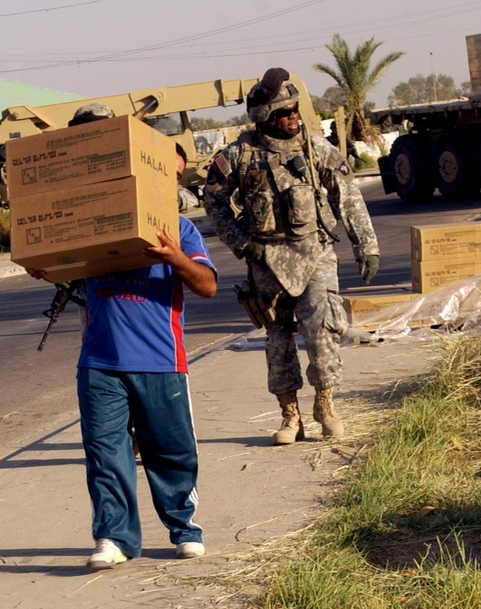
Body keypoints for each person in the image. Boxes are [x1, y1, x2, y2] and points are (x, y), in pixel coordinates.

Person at [31, 107, 218, 573]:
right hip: (99, 359)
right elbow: (63, 269)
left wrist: (175, 256)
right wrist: (42, 263)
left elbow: (208, 285)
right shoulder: (81, 221)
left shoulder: (179, 227)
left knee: (170, 451)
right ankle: (114, 537)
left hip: (160, 358)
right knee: (105, 452)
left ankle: (184, 528)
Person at [202, 68, 379, 444]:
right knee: (278, 338)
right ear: (264, 117)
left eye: (295, 109)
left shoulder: (317, 149)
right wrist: (241, 242)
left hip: (315, 253)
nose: (292, 117)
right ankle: (290, 416)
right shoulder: (239, 155)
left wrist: (366, 246)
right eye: (283, 112)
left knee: (322, 332)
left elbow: (347, 197)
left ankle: (326, 406)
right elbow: (213, 200)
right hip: (267, 260)